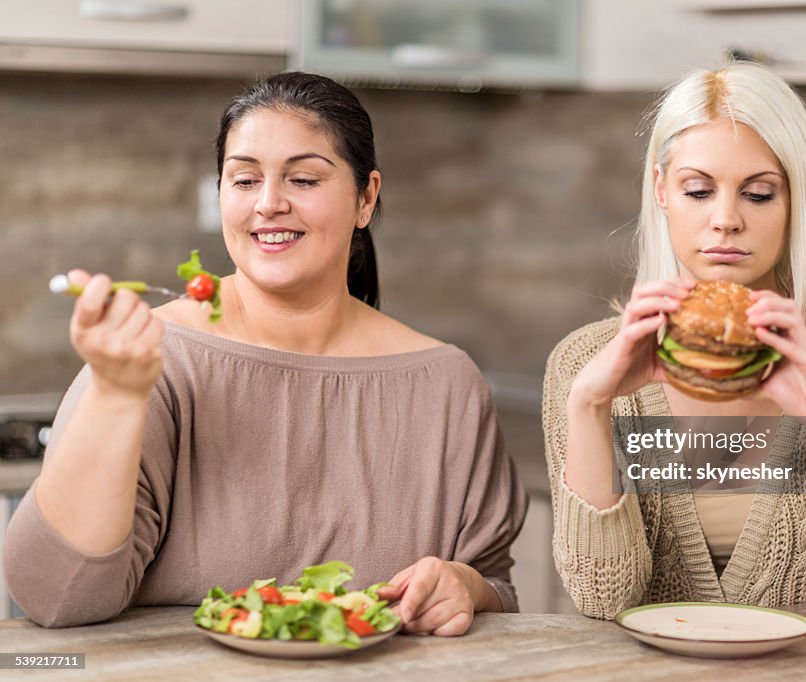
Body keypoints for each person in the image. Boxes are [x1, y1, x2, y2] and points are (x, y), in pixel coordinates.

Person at [4, 72, 527, 636]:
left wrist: (465, 587)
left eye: (302, 179)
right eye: (245, 180)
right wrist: (116, 395)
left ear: (366, 197)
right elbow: (56, 599)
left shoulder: (446, 383)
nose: (269, 204)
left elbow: (492, 585)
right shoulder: (153, 361)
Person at [542, 61, 806, 627]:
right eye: (698, 190)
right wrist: (589, 406)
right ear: (661, 190)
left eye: (759, 194)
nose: (725, 220)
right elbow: (602, 597)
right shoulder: (582, 362)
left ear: (796, 200)